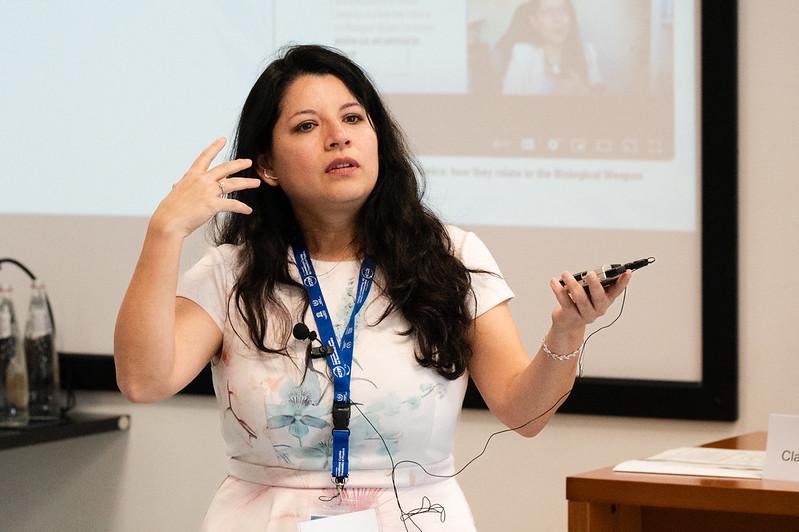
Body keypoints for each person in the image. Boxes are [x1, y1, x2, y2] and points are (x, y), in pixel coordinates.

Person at [114, 44, 631, 531]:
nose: (338, 137)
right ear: (266, 165)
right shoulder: (230, 272)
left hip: (418, 515)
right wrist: (165, 232)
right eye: (307, 125)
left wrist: (568, 330)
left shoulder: (452, 258)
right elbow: (145, 381)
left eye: (353, 118)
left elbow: (525, 415)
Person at [497, 0, 602, 95]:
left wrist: (583, 91)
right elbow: (509, 108)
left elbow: (603, 105)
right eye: (547, 12)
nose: (557, 19)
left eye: (563, 10)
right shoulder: (523, 55)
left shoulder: (587, 52)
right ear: (534, 22)